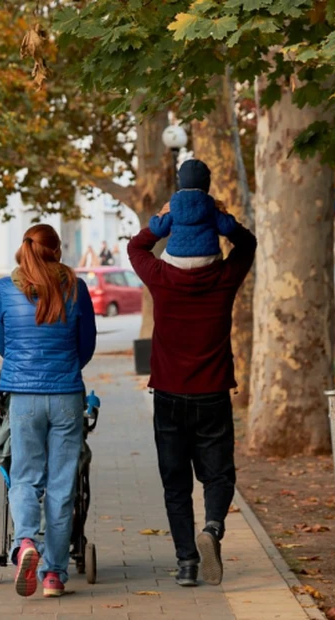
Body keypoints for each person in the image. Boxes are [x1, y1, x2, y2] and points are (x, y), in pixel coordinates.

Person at [128, 196, 257, 588]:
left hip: (168, 394)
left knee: (175, 483)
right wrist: (222, 220)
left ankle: (187, 563)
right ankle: (213, 528)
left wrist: (161, 220)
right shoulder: (223, 278)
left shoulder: (160, 277)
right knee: (219, 476)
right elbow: (247, 244)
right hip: (213, 392)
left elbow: (136, 246)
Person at [0, 224, 97, 599]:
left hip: (23, 396)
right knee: (61, 485)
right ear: (56, 250)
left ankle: (25, 542)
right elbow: (86, 346)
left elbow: (3, 343)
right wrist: (67, 366)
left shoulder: (6, 289)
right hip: (67, 394)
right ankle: (54, 575)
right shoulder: (76, 287)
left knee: (24, 478)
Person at [150, 159, 238, 269]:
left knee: (163, 258)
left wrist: (159, 215)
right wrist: (224, 213)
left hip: (176, 258)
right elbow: (228, 228)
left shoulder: (173, 205)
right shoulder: (211, 205)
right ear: (207, 183)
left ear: (180, 181)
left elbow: (159, 229)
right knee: (219, 257)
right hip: (208, 257)